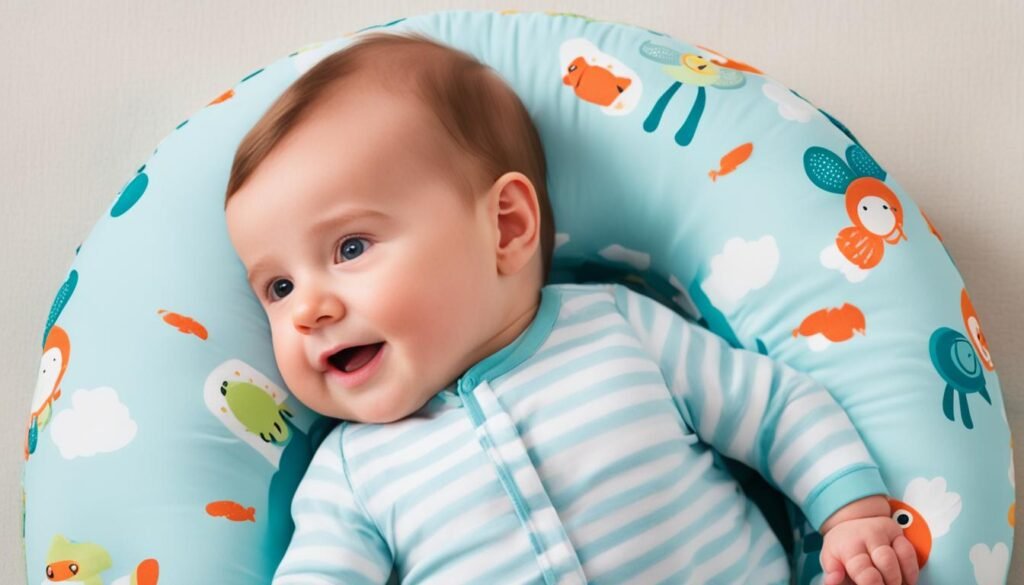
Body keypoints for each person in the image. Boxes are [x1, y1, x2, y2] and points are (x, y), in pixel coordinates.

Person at [223, 31, 919, 585]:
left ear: (506, 227)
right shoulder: (352, 473)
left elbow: (773, 409)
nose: (308, 308)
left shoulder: (616, 329)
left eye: (349, 247)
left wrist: (850, 514)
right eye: (277, 287)